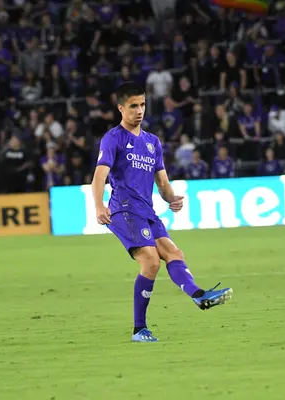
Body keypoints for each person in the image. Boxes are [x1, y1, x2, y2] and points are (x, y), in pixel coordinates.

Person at [92, 82, 232, 343]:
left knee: (174, 253)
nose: (139, 110)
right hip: (123, 209)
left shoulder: (152, 142)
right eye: (133, 105)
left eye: (142, 104)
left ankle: (199, 295)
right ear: (121, 108)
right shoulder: (113, 138)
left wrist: (172, 198)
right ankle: (139, 329)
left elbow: (163, 183)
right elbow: (100, 175)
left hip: (147, 211)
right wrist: (99, 205)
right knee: (151, 261)